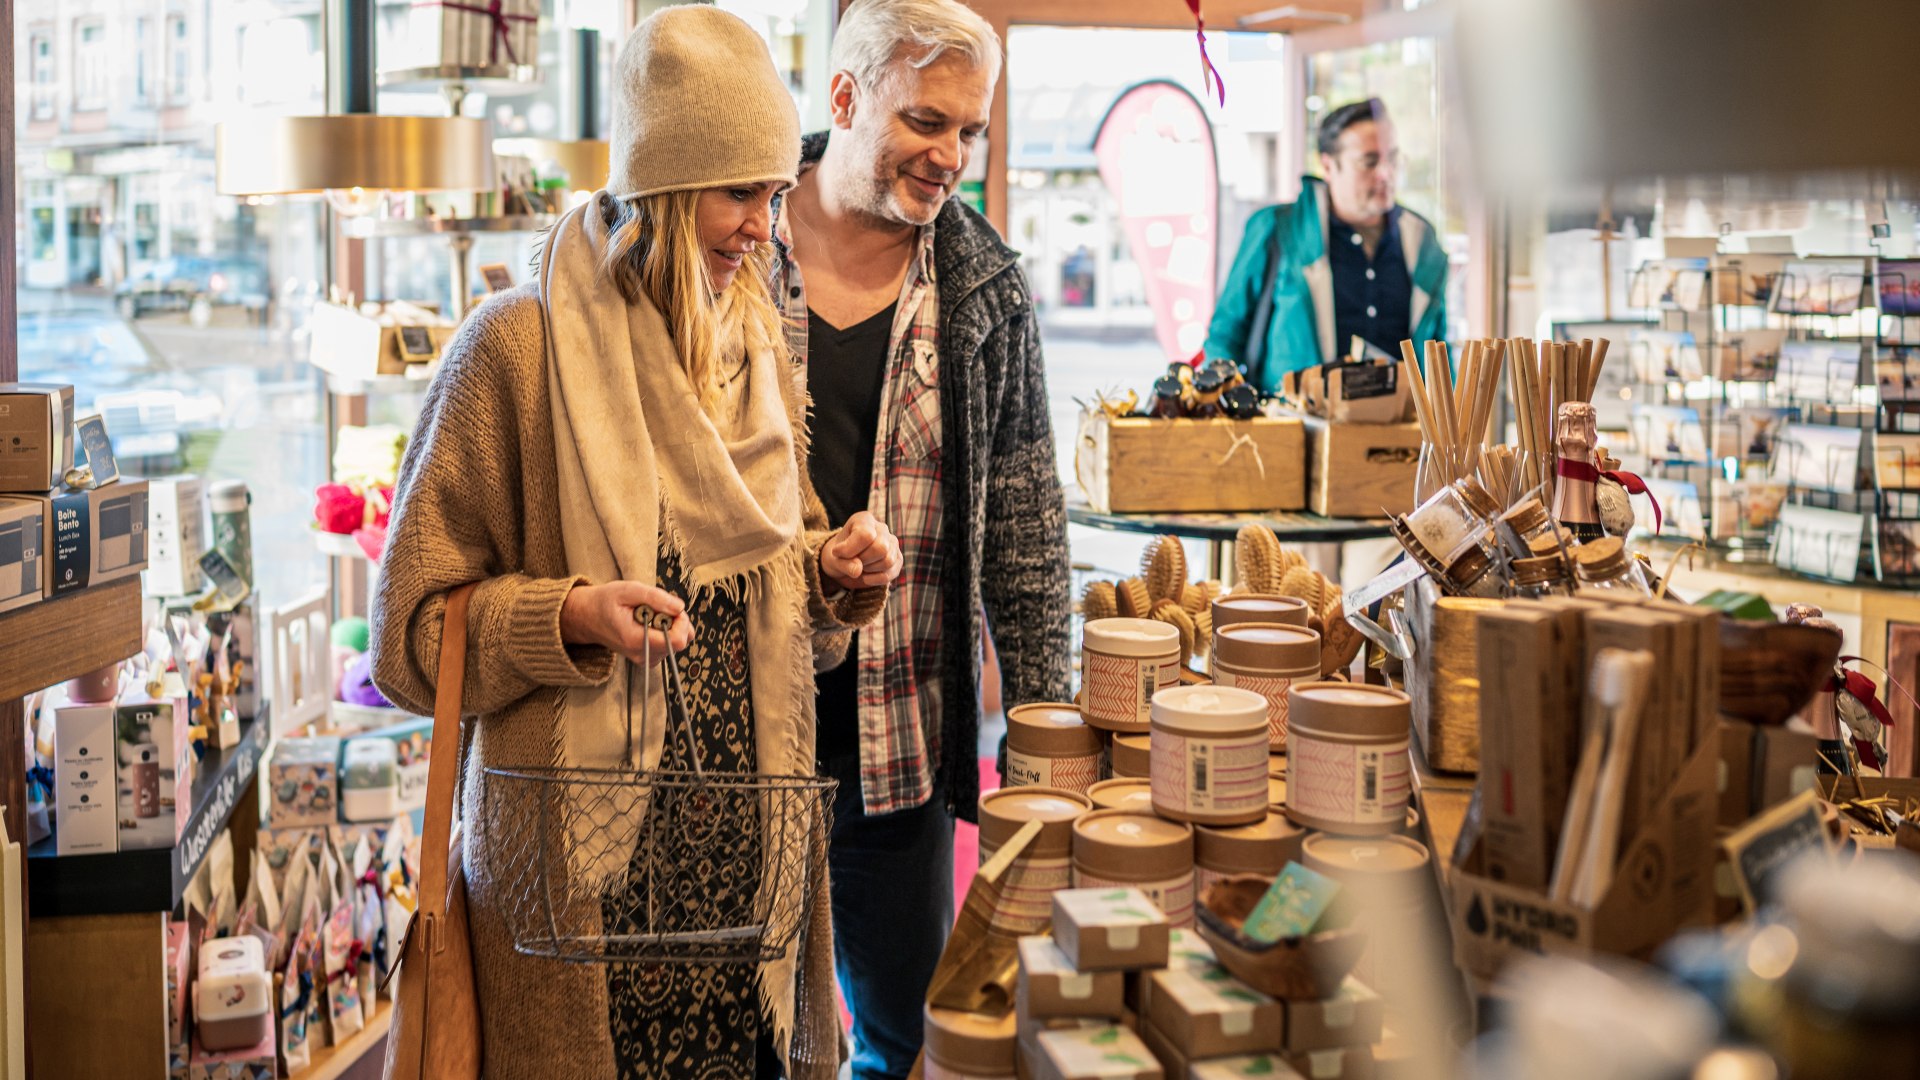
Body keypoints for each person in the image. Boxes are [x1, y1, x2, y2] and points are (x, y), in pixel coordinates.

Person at [370, 8, 902, 1078]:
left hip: (747, 910)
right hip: (579, 916)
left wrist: (832, 578)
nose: (766, 225)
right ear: (662, 187)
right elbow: (409, 639)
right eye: (738, 193)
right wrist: (563, 616)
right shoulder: (515, 351)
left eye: (771, 192)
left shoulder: (753, 352)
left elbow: (786, 603)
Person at [774, 1, 1072, 1075]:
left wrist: (1052, 746)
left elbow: (1029, 541)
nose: (950, 157)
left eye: (970, 133)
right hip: (727, 740)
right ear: (846, 99)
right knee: (742, 1040)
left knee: (906, 1040)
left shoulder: (986, 287)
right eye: (927, 121)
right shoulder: (728, 241)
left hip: (894, 742)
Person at [1207, 98, 1449, 392]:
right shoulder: (1279, 230)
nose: (1386, 173)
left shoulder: (1422, 242)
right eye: (1369, 162)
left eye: (1393, 158)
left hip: (1400, 433)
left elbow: (1440, 355)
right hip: (1295, 430)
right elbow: (1225, 336)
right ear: (1328, 166)